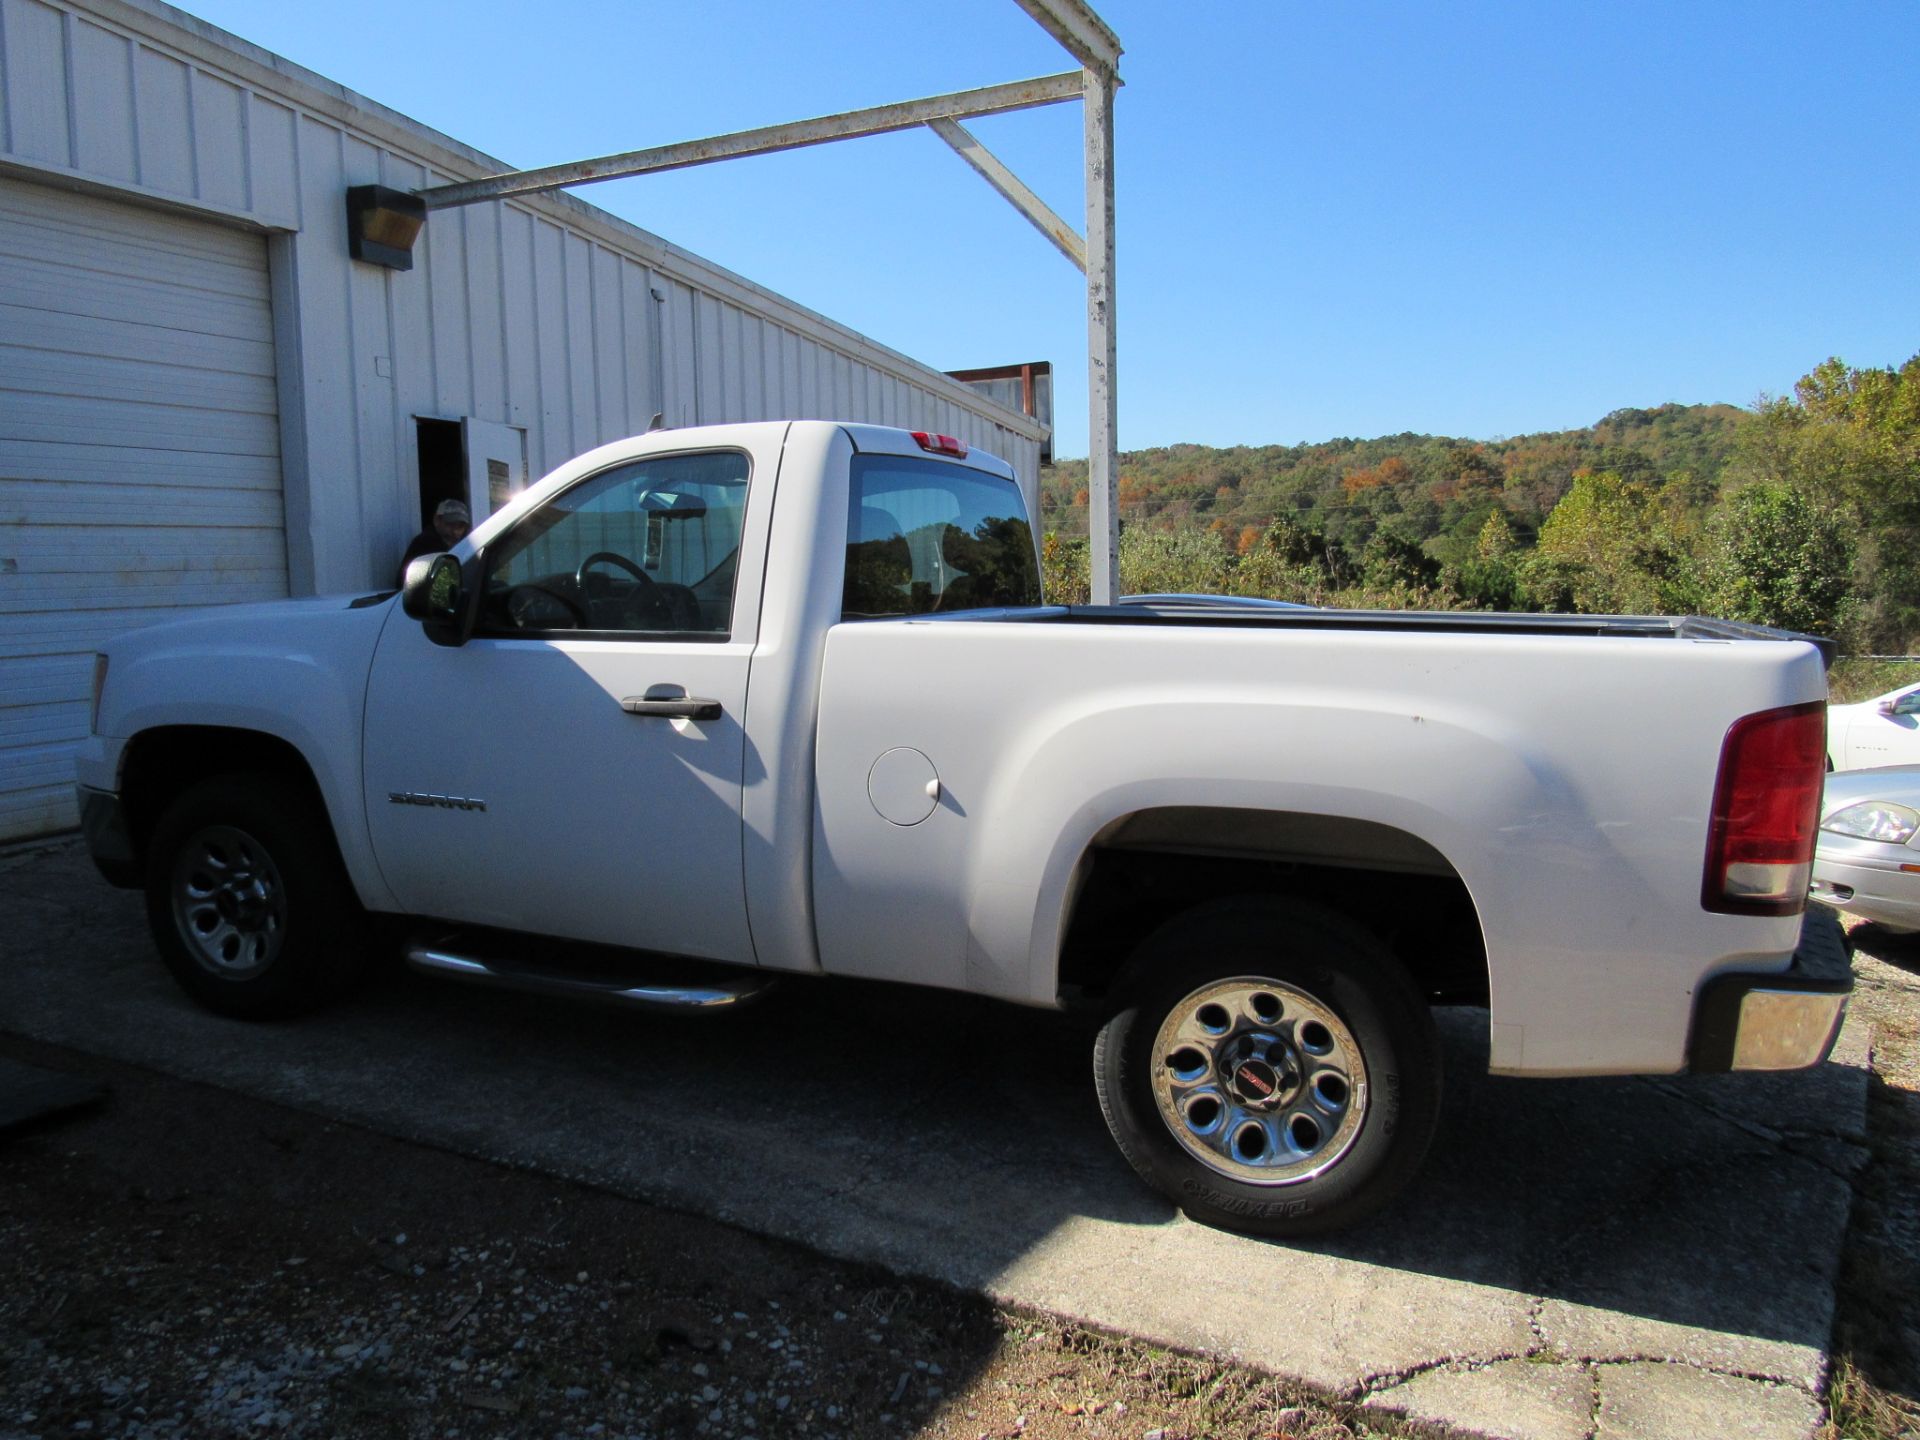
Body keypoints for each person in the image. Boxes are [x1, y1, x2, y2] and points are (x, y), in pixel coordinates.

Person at [397, 499, 471, 587]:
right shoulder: (426, 544)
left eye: (460, 526)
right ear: (437, 520)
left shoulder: (466, 546)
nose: (455, 532)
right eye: (450, 524)